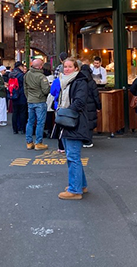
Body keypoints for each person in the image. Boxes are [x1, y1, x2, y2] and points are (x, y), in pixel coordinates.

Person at [57, 57, 96, 200]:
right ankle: (81, 185)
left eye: (69, 67)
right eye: (64, 66)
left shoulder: (79, 82)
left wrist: (64, 113)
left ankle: (75, 190)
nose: (66, 69)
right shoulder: (68, 82)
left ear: (76, 68)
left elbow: (79, 102)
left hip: (74, 122)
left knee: (72, 157)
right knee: (73, 156)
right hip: (69, 121)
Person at [24, 58, 50, 150]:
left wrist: (29, 97)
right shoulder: (41, 76)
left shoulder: (27, 74)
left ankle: (29, 142)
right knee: (40, 122)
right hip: (40, 101)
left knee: (30, 122)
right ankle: (38, 143)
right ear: (40, 66)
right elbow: (46, 90)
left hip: (30, 100)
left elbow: (25, 88)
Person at [80, 63, 102, 148]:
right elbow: (96, 96)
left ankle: (82, 139)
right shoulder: (92, 82)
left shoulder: (78, 80)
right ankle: (88, 141)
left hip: (81, 105)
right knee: (90, 123)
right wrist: (98, 107)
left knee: (82, 122)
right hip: (91, 105)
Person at [9, 61, 28, 134]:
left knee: (15, 112)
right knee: (22, 112)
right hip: (21, 95)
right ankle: (22, 128)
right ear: (20, 66)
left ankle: (15, 129)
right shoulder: (21, 75)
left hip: (13, 95)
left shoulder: (11, 74)